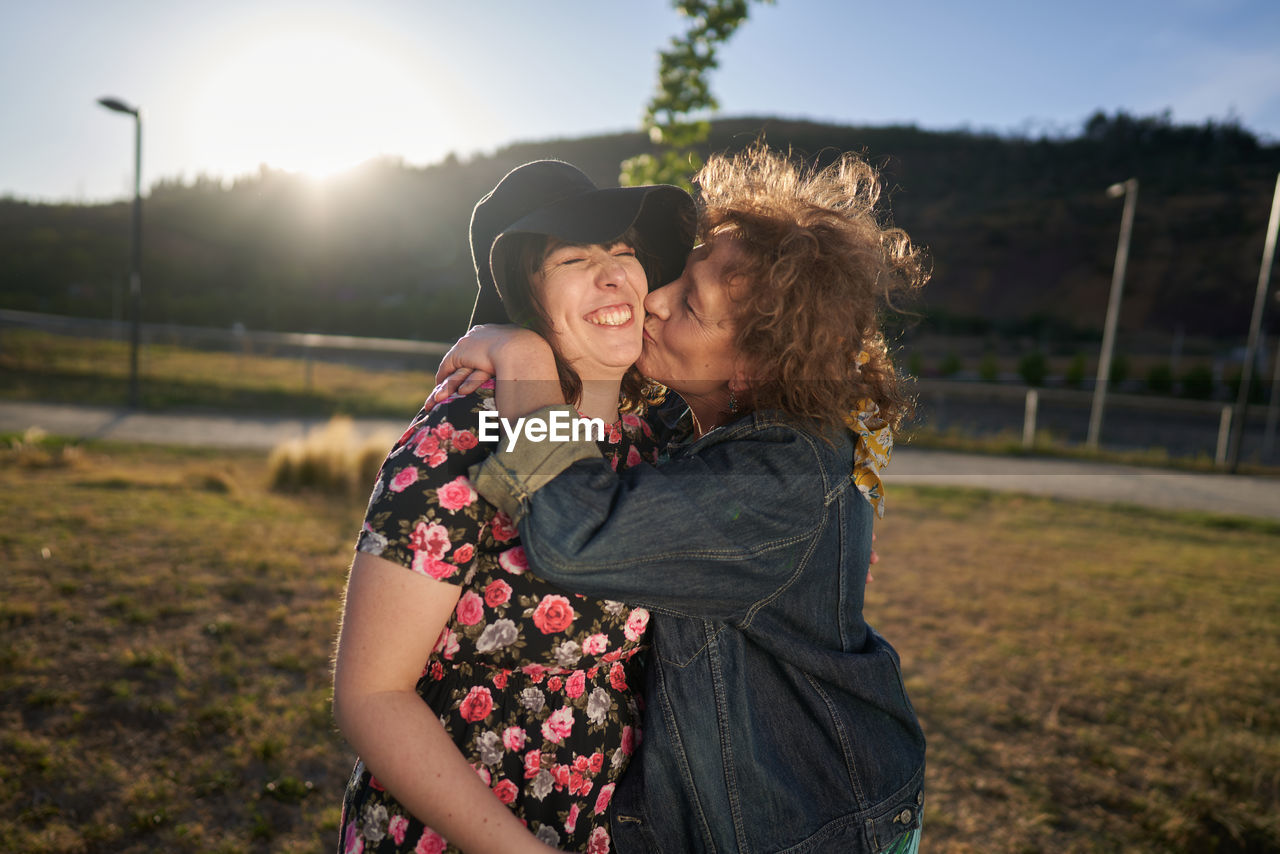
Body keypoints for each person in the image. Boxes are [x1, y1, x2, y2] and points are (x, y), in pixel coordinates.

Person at [430, 144, 928, 853]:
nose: (654, 300)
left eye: (690, 305)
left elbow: (576, 530)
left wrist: (524, 360)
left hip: (813, 826)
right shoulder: (681, 423)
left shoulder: (779, 483)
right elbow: (497, 441)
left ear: (753, 366)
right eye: (678, 275)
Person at [332, 160, 696, 853]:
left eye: (624, 252)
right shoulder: (470, 427)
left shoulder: (652, 431)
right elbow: (371, 696)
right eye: (575, 257)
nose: (615, 274)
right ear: (524, 293)